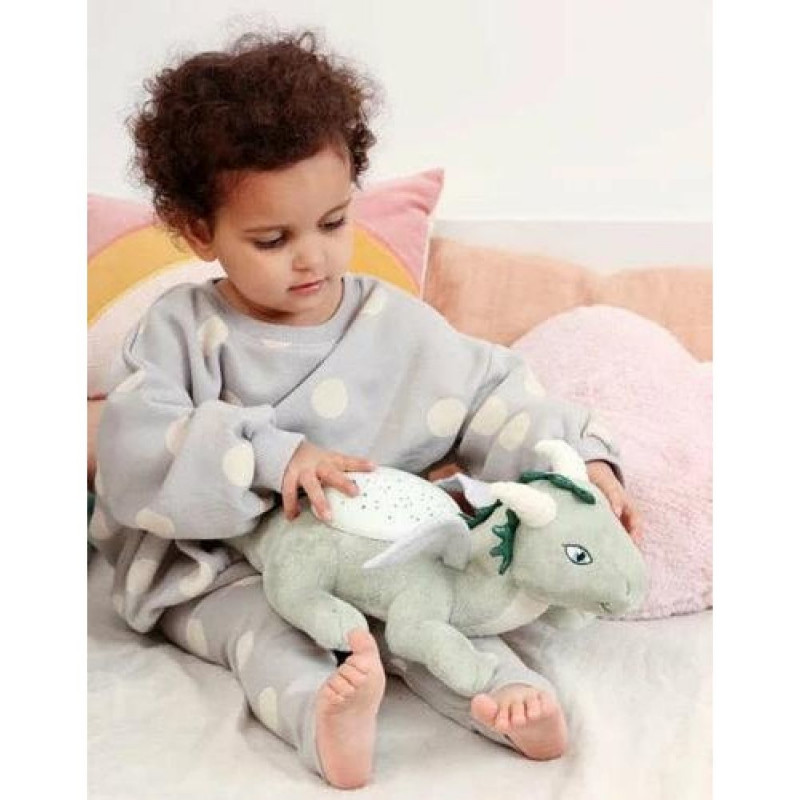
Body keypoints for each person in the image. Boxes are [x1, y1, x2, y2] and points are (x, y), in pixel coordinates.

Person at [92, 29, 640, 790]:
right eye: (272, 239)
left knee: (439, 610)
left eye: (333, 222)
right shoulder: (182, 330)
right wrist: (273, 456)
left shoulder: (393, 324)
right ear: (198, 232)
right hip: (223, 564)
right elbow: (135, 447)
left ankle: (511, 701)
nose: (312, 256)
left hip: (385, 551)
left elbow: (496, 395)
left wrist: (583, 465)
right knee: (263, 630)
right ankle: (325, 716)